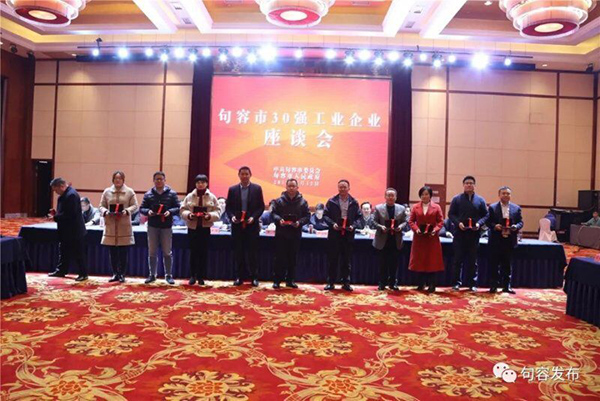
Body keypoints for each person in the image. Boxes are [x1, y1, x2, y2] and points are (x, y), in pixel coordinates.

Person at [225, 166, 265, 287]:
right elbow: (228, 207)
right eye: (242, 174)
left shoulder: (257, 189)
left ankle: (254, 277)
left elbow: (261, 207)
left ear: (250, 175)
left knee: (253, 253)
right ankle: (239, 277)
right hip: (237, 226)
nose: (244, 176)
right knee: (238, 252)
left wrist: (254, 217)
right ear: (239, 175)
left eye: (246, 174)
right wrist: (232, 217)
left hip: (251, 226)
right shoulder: (232, 189)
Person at [448, 175, 489, 292]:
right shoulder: (457, 199)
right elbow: (451, 214)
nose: (469, 185)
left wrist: (479, 224)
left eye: (471, 183)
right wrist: (458, 223)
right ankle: (456, 283)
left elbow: (486, 215)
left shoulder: (480, 200)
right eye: (467, 183)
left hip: (474, 234)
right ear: (463, 185)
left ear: (474, 185)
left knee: (473, 261)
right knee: (457, 260)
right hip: (460, 234)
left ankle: (472, 283)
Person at [140, 171, 181, 285]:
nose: (159, 181)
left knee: (167, 252)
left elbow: (178, 208)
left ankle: (168, 275)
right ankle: (152, 275)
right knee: (152, 252)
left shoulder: (172, 193)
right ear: (153, 181)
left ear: (164, 180)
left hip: (166, 226)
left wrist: (170, 212)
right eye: (157, 179)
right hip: (152, 226)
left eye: (161, 179)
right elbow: (142, 208)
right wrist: (148, 212)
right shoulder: (148, 194)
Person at [180, 174, 222, 285]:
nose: (200, 184)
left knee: (203, 253)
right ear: (195, 184)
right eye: (198, 182)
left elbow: (218, 211)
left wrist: (209, 216)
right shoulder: (189, 196)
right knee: (193, 252)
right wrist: (189, 215)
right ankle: (192, 276)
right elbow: (182, 210)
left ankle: (201, 276)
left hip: (205, 228)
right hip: (192, 228)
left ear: (206, 184)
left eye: (203, 182)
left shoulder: (212, 197)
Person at [98, 171, 138, 283]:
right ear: (113, 179)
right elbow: (101, 206)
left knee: (123, 252)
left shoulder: (129, 191)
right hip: (111, 225)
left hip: (124, 225)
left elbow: (135, 205)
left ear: (123, 180)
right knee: (113, 252)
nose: (118, 180)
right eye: (116, 178)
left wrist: (127, 211)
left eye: (120, 178)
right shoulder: (107, 192)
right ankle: (115, 273)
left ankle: (122, 274)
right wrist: (105, 212)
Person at [271, 179, 310, 289]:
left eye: (293, 186)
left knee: (293, 258)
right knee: (279, 258)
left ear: (297, 187)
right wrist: (279, 220)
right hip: (281, 233)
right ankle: (277, 280)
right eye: (289, 186)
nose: (291, 188)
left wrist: (299, 222)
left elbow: (307, 216)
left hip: (295, 233)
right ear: (286, 187)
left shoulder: (303, 202)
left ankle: (290, 280)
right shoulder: (279, 201)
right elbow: (273, 214)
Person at [323, 179, 362, 291]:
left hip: (348, 234)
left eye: (345, 187)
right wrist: (333, 224)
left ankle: (346, 283)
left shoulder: (354, 202)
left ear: (349, 188)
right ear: (338, 188)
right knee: (333, 259)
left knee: (346, 260)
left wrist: (353, 226)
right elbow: (325, 216)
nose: (343, 189)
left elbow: (359, 218)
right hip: (335, 234)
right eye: (340, 187)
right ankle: (331, 282)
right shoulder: (331, 201)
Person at [47, 178, 88, 281]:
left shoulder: (71, 195)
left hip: (74, 230)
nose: (56, 192)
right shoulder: (66, 194)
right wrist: (56, 213)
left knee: (78, 253)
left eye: (56, 190)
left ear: (61, 186)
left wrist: (55, 218)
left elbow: (70, 214)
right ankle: (61, 270)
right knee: (64, 251)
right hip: (66, 230)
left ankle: (83, 274)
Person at [486, 186, 523, 294]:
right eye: (503, 193)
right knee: (494, 264)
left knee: (507, 264)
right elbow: (488, 222)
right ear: (499, 195)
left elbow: (521, 222)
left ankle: (507, 286)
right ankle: (493, 286)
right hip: (496, 240)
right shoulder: (492, 207)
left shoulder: (516, 208)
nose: (506, 195)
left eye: (508, 193)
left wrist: (516, 226)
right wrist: (494, 226)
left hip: (510, 240)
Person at [408, 186, 445, 293]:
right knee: (420, 261)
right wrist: (416, 229)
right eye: (423, 194)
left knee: (432, 261)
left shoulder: (436, 207)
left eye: (427, 194)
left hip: (432, 238)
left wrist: (435, 230)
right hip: (419, 238)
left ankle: (432, 284)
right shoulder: (415, 207)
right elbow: (411, 221)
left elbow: (441, 222)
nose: (425, 196)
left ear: (430, 195)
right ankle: (421, 284)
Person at [372, 188, 407, 291]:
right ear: (385, 197)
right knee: (382, 263)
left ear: (396, 197)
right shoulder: (378, 208)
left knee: (394, 263)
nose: (390, 197)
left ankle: (393, 283)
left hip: (395, 240)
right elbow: (374, 222)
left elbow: (405, 221)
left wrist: (400, 227)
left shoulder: (401, 208)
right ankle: (382, 283)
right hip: (383, 239)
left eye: (392, 195)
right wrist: (381, 227)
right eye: (388, 195)